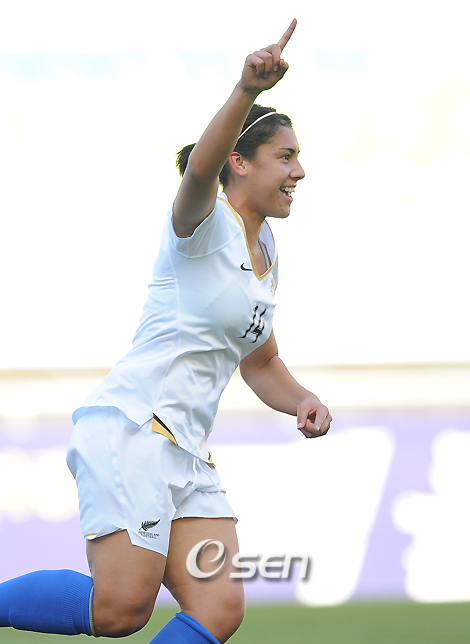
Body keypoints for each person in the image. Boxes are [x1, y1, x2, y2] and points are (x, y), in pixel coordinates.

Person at [0, 18, 331, 644]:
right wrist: (247, 90)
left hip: (186, 450)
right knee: (119, 612)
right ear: (239, 162)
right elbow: (199, 173)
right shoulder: (203, 221)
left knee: (219, 608)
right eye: (286, 156)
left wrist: (302, 400)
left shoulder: (267, 248)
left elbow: (261, 363)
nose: (301, 171)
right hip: (134, 429)